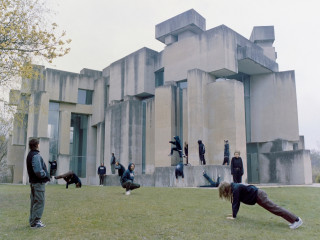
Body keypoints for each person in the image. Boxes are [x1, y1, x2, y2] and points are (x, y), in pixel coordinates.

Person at [218, 181, 303, 229]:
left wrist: (233, 217)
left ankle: (297, 220)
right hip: (258, 195)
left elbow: (236, 202)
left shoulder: (235, 188)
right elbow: (235, 202)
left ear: (225, 189)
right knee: (275, 210)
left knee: (275, 209)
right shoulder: (234, 187)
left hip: (259, 195)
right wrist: (233, 215)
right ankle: (293, 221)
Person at [26, 138, 50, 228]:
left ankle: (33, 221)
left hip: (33, 183)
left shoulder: (29, 155)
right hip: (38, 183)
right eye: (39, 144)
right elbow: (38, 171)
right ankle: (36, 222)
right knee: (39, 202)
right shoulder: (36, 155)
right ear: (36, 145)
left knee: (34, 202)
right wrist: (45, 174)